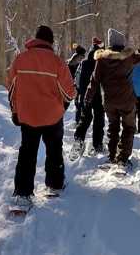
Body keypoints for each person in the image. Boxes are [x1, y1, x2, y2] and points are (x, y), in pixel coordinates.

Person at [6, 25, 76, 207]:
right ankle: (54, 185)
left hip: (27, 115)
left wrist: (15, 111)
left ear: (35, 39)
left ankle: (22, 193)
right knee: (54, 150)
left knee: (27, 153)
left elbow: (11, 88)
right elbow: (69, 93)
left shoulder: (20, 59)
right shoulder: (57, 62)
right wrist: (63, 105)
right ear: (50, 42)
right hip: (52, 116)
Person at [84, 28, 140, 172]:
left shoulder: (102, 60)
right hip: (127, 100)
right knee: (129, 128)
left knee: (113, 127)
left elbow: (94, 80)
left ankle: (111, 156)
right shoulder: (129, 57)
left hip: (109, 101)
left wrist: (88, 97)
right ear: (121, 43)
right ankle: (122, 159)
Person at [69, 37, 105, 160]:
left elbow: (77, 80)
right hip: (99, 95)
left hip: (86, 95)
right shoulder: (103, 63)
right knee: (99, 119)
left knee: (85, 118)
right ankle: (97, 145)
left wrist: (79, 92)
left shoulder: (83, 63)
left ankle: (78, 141)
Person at [67, 43, 87, 123]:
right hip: (77, 84)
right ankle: (79, 120)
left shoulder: (73, 58)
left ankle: (78, 120)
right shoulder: (78, 59)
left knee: (78, 104)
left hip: (74, 84)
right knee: (79, 104)